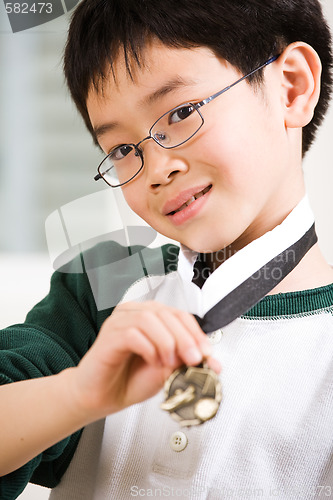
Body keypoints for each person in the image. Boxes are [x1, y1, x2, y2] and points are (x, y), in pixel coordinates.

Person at [1, 0, 333, 498]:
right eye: (122, 150)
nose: (157, 169)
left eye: (181, 113)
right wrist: (77, 394)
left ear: (291, 86)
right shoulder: (104, 284)